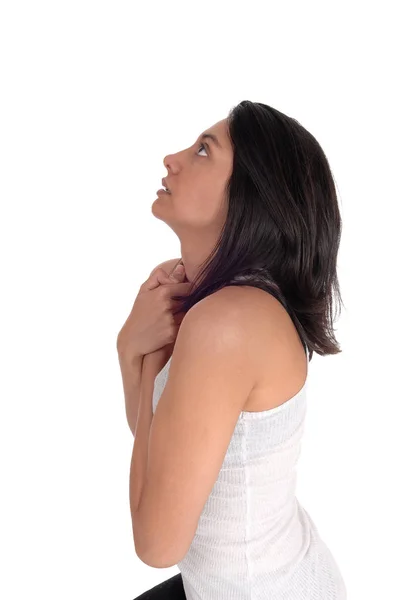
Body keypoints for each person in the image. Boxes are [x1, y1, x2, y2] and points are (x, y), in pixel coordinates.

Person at [132, 100, 347, 599]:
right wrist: (134, 347)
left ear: (253, 197)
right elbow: (166, 463)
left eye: (205, 150)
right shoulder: (229, 306)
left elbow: (156, 544)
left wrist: (144, 360)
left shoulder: (226, 324)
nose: (172, 158)